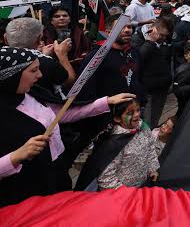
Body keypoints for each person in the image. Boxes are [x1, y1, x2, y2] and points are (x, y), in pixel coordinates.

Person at [0, 46, 134, 206]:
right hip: (25, 192)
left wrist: (106, 102)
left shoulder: (31, 93)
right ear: (12, 75)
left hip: (56, 172)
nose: (40, 75)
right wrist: (15, 157)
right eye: (33, 70)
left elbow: (62, 113)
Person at [76, 99, 159, 191]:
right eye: (130, 113)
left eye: (138, 110)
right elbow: (105, 177)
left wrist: (152, 168)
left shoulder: (143, 128)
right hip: (124, 194)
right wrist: (126, 192)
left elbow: (150, 148)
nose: (136, 114)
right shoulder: (113, 144)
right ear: (117, 118)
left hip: (142, 186)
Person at [5, 17, 76, 99]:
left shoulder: (4, 58)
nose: (38, 74)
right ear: (39, 40)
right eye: (34, 70)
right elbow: (70, 81)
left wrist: (43, 55)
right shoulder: (47, 63)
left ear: (5, 39)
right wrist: (62, 54)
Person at [78, 14, 143, 101]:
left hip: (134, 108)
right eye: (121, 27)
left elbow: (139, 78)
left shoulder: (134, 51)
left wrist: (142, 99)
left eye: (129, 27)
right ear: (108, 32)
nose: (127, 30)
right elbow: (86, 89)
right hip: (109, 110)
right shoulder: (97, 56)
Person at [132, 17, 173, 128]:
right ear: (153, 30)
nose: (163, 38)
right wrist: (150, 41)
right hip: (150, 92)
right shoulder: (143, 43)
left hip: (161, 90)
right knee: (148, 122)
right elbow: (138, 65)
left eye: (165, 36)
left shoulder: (161, 44)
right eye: (161, 35)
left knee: (155, 120)